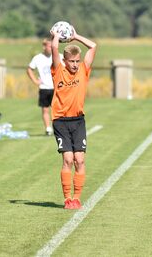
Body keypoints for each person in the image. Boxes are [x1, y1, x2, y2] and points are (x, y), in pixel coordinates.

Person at [50, 27, 97, 209]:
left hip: (78, 121)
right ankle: (66, 198)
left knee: (80, 160)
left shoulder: (83, 70)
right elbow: (54, 49)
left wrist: (75, 36)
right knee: (68, 159)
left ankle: (76, 198)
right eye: (72, 61)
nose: (76, 64)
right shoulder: (58, 70)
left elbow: (93, 46)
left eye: (77, 61)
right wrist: (56, 36)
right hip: (61, 121)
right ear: (65, 61)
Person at [27, 38, 62, 136]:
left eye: (52, 46)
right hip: (44, 88)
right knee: (45, 109)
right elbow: (29, 69)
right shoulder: (38, 58)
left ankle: (58, 128)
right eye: (49, 46)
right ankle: (48, 128)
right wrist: (35, 81)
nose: (51, 48)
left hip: (56, 88)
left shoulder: (59, 56)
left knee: (57, 110)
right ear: (44, 47)